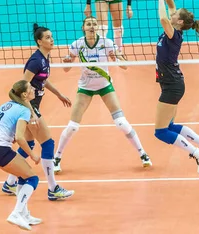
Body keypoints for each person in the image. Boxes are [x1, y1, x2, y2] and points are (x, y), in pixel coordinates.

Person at [53, 16, 152, 173]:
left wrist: (118, 58)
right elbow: (66, 69)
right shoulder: (77, 45)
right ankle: (56, 158)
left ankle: (143, 154)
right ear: (83, 27)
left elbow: (124, 66)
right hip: (85, 88)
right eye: (88, 24)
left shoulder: (106, 43)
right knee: (72, 127)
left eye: (94, 24)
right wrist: (67, 62)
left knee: (121, 123)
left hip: (105, 86)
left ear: (98, 27)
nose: (92, 26)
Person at [0, 24, 75, 201]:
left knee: (30, 144)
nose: (52, 39)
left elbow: (43, 80)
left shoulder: (44, 58)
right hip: (28, 107)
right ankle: (53, 188)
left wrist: (59, 94)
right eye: (48, 37)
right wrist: (31, 113)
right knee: (48, 144)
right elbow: (22, 87)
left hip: (31, 108)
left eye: (52, 36)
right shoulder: (35, 61)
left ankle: (10, 182)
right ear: (39, 41)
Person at [153, 0, 199, 174]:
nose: (171, 13)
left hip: (172, 86)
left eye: (175, 14)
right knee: (170, 126)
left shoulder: (173, 34)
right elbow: (172, 10)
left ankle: (197, 152)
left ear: (179, 22)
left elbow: (164, 19)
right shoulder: (175, 31)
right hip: (172, 83)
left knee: (161, 131)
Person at [0, 80, 43, 230]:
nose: (33, 89)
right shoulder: (24, 111)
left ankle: (24, 214)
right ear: (24, 94)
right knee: (33, 178)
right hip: (0, 150)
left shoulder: (5, 105)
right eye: (30, 88)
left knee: (23, 176)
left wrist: (7, 136)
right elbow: (21, 137)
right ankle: (16, 213)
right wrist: (33, 155)